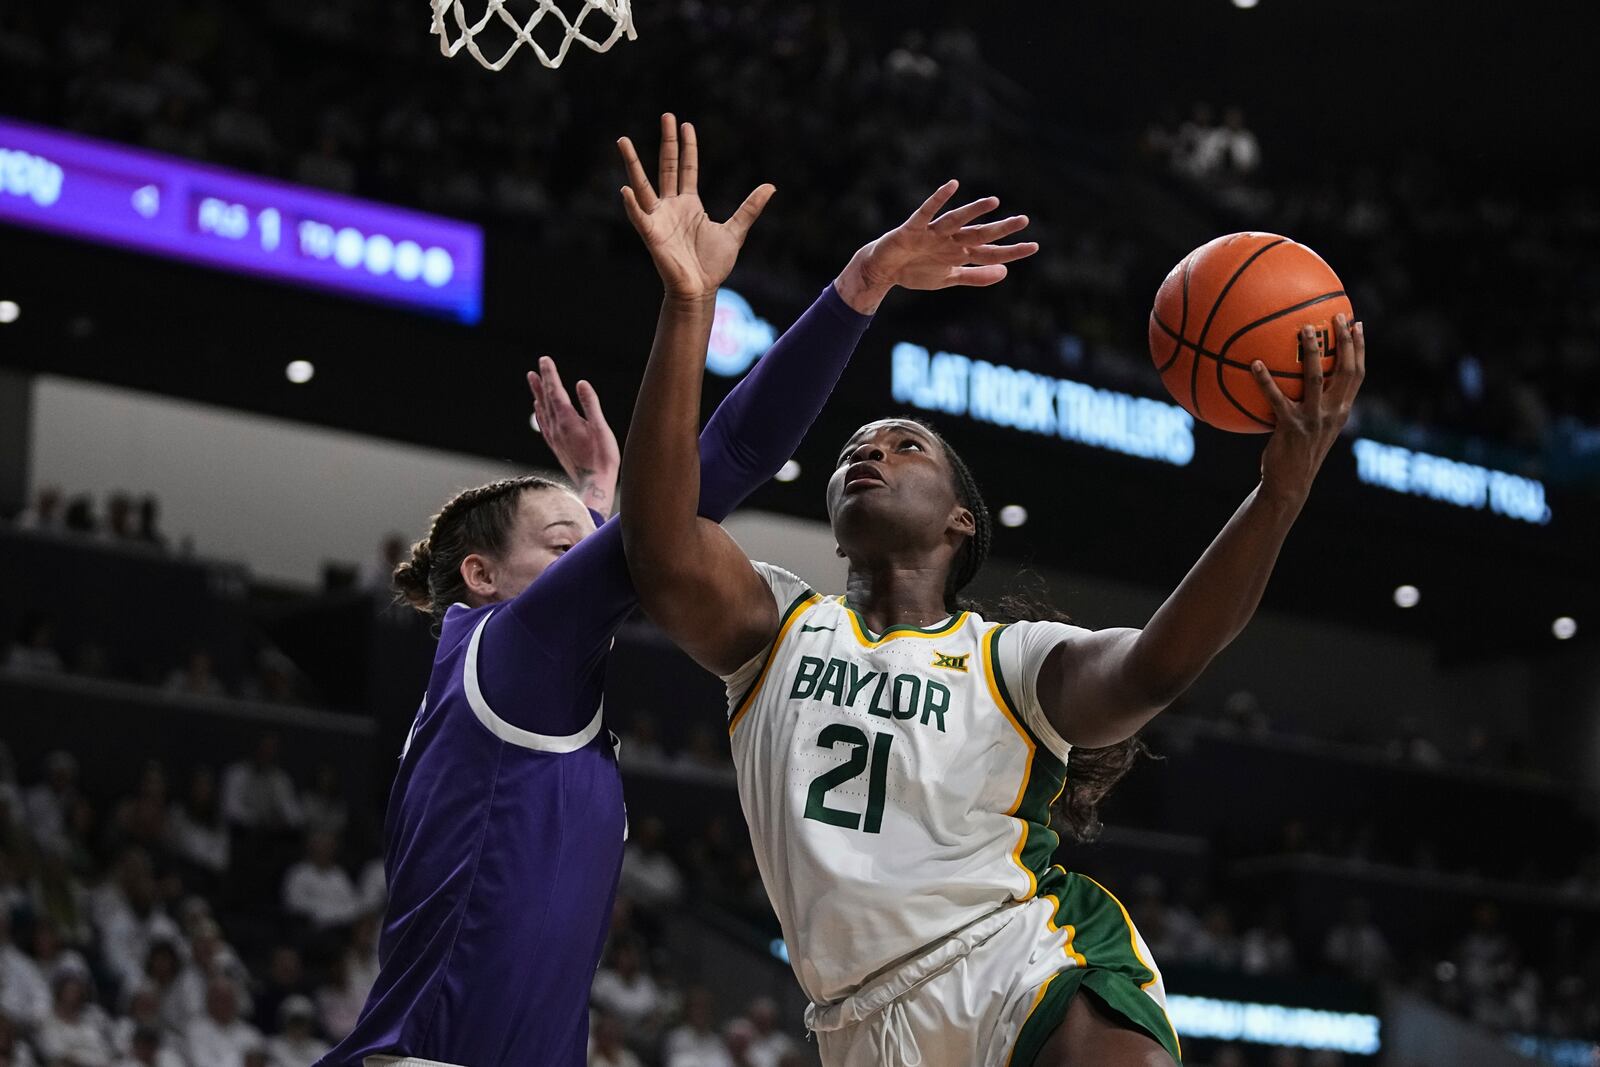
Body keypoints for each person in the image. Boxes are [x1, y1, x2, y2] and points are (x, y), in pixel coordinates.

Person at [618, 135, 1366, 1064]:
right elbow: (654, 545)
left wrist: (1279, 493)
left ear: (961, 523)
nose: (871, 453)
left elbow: (1159, 663)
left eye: (905, 447)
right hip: (859, 1022)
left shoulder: (1009, 658)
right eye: (859, 445)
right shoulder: (775, 626)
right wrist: (689, 305)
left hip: (1025, 961)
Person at [315, 112, 886, 1067]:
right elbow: (728, 457)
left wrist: (592, 497)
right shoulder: (510, 652)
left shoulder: (493, 678)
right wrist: (830, 294)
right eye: (565, 542)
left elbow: (620, 542)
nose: (593, 553)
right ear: (481, 576)